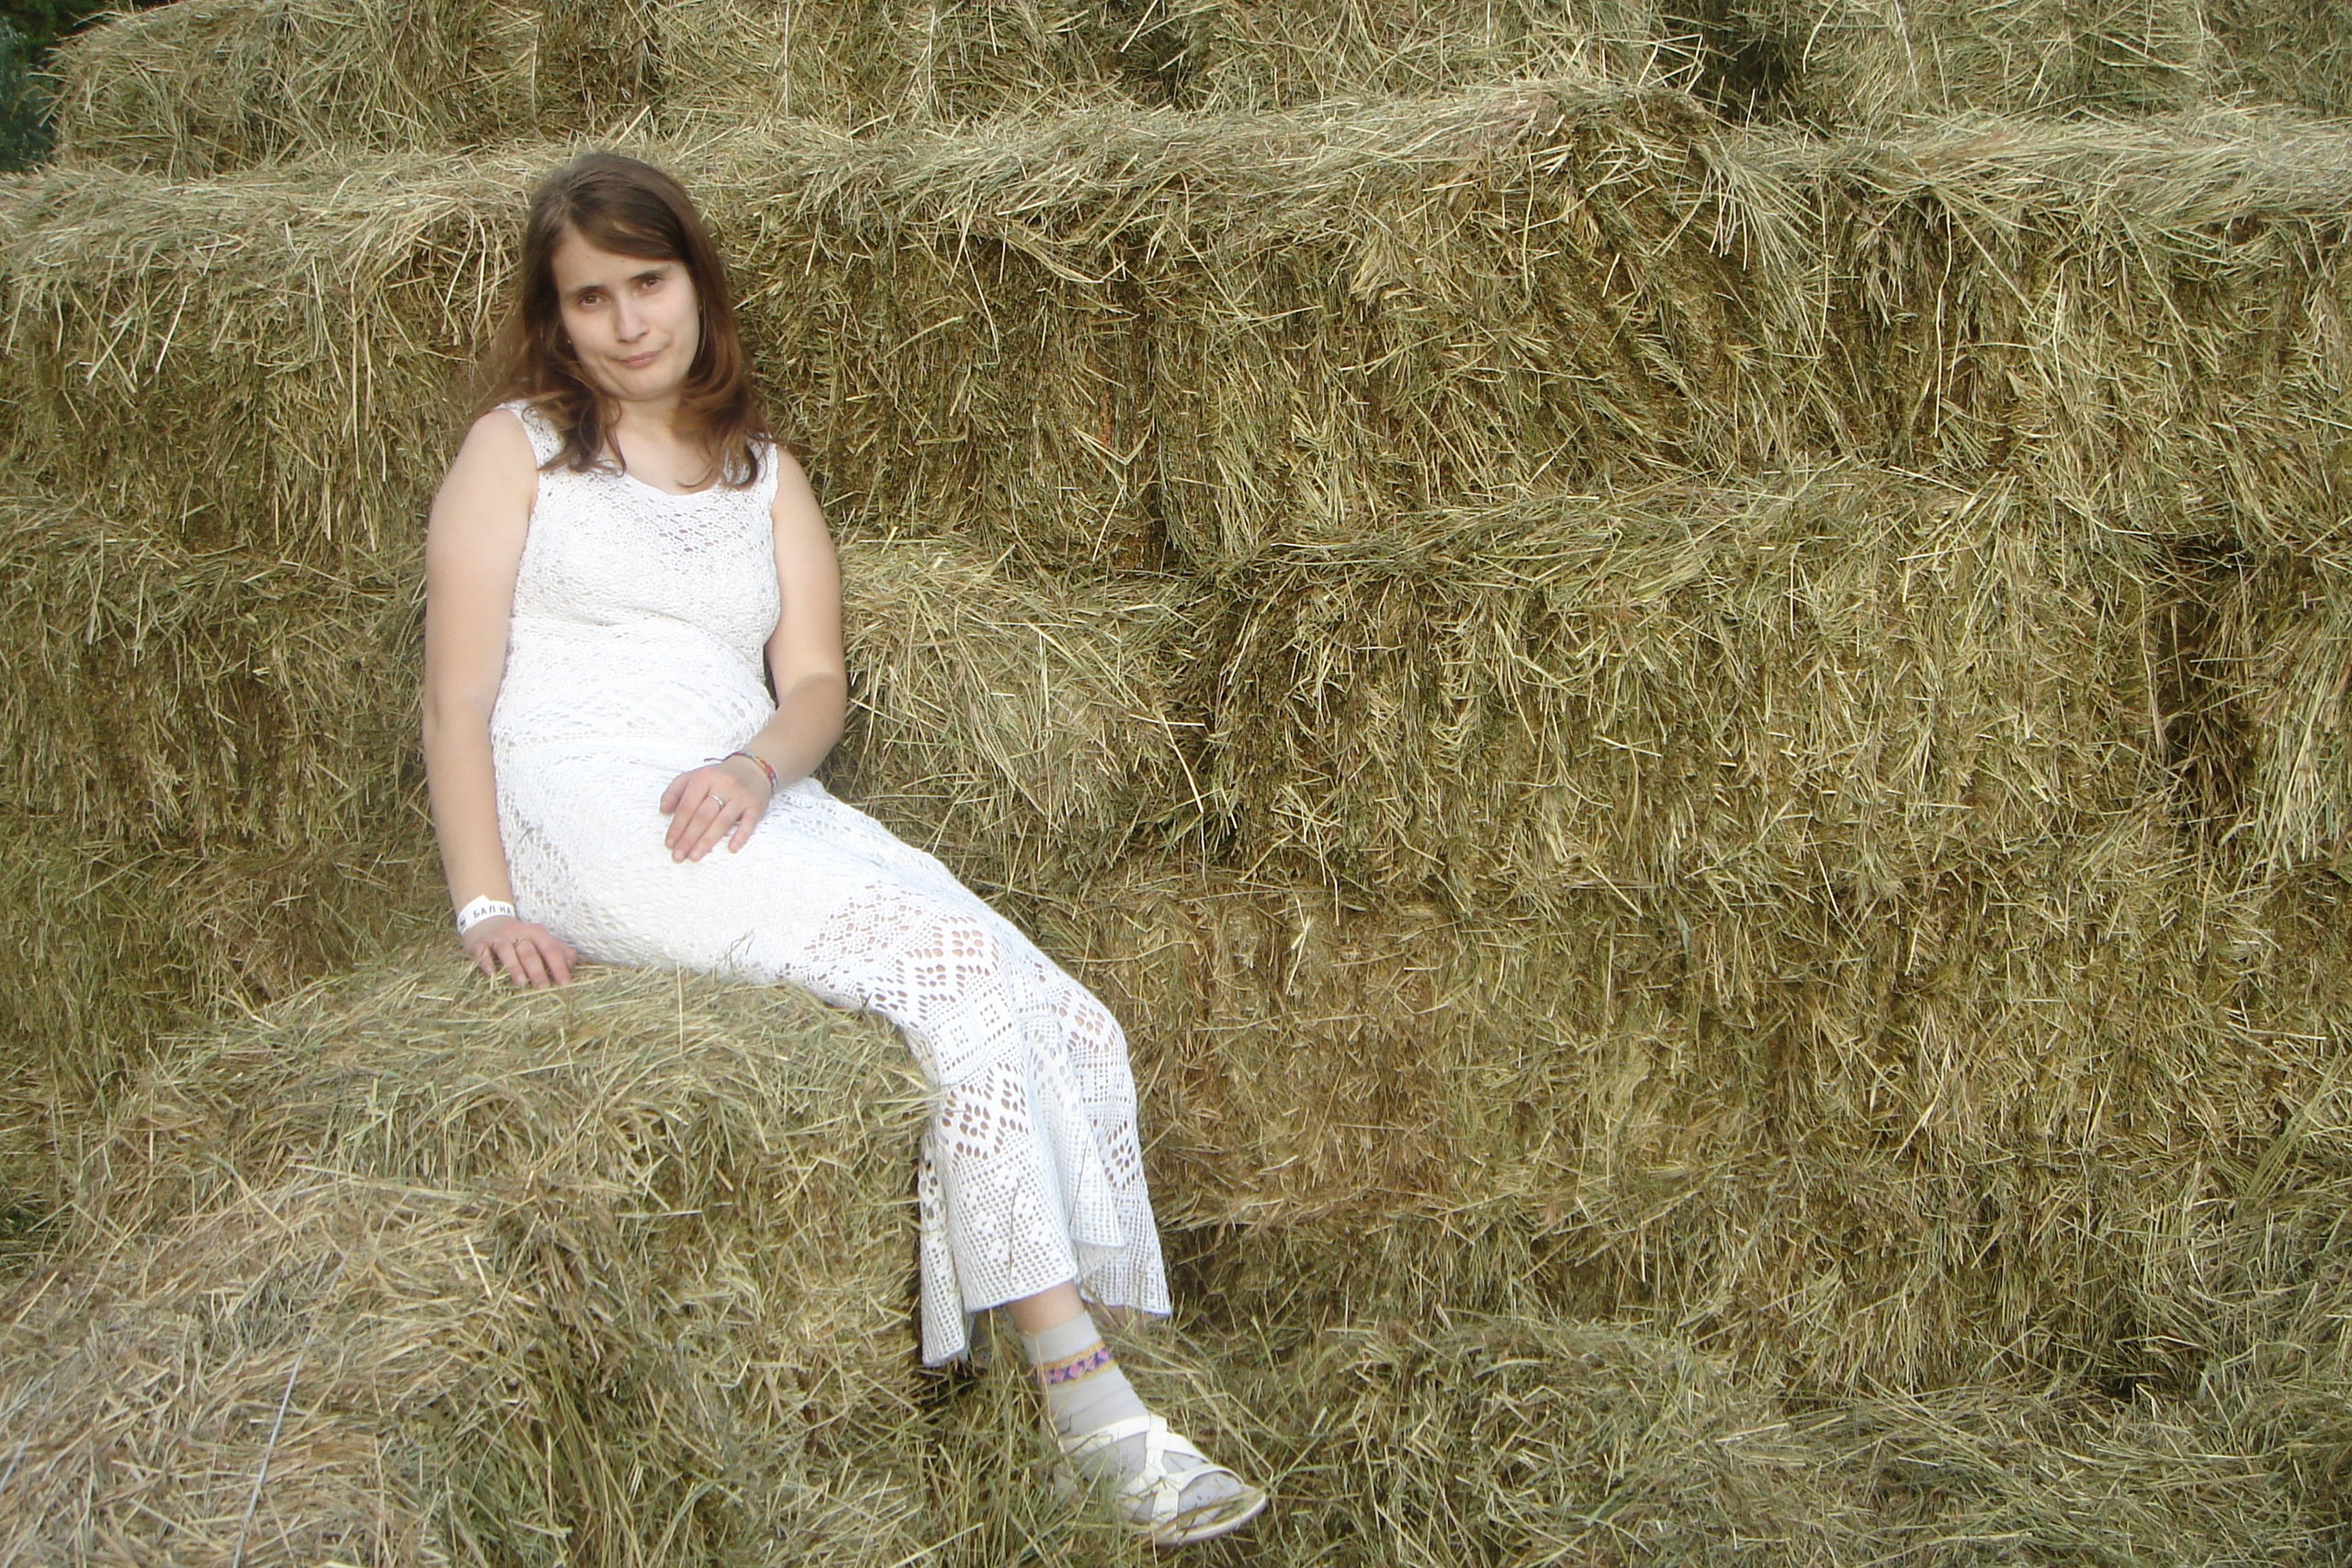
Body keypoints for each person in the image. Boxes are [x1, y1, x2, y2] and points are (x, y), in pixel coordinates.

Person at [418, 152, 1266, 1547]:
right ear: (553, 318)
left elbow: (813, 682)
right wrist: (483, 905)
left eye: (648, 282)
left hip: (740, 790)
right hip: (592, 808)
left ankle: (1060, 1342)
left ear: (696, 283)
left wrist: (757, 766)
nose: (629, 322)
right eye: (591, 298)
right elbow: (457, 698)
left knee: (1053, 1001)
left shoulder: (764, 475)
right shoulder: (516, 453)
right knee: (947, 973)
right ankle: (1092, 1410)